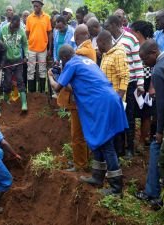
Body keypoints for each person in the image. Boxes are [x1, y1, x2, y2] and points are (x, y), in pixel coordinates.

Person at [49, 44, 128, 195]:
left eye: (62, 61)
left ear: (64, 58)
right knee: (97, 141)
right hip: (109, 99)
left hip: (101, 104)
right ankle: (97, 177)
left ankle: (116, 188)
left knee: (106, 145)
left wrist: (51, 77)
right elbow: (78, 87)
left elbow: (57, 88)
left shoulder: (71, 63)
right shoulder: (86, 61)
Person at [105, 15, 144, 158]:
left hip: (130, 83)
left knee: (129, 116)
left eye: (108, 25)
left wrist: (140, 84)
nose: (106, 28)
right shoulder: (109, 40)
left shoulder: (130, 39)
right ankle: (119, 148)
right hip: (113, 85)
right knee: (117, 116)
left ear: (116, 24)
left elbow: (138, 62)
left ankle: (130, 148)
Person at [58, 24, 95, 172]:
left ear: (80, 36)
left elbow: (65, 83)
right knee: (83, 132)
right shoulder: (90, 49)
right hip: (84, 98)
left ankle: (80, 164)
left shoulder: (80, 54)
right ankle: (82, 160)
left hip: (78, 99)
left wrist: (55, 78)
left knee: (77, 133)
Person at [139, 40, 164, 209]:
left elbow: (161, 104)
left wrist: (159, 131)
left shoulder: (158, 70)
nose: (144, 63)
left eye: (145, 59)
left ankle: (153, 193)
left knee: (156, 149)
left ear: (154, 52)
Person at [97, 30, 129, 157]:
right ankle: (113, 155)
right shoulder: (106, 54)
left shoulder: (118, 54)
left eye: (98, 44)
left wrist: (118, 98)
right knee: (111, 127)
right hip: (107, 99)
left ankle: (118, 155)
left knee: (117, 128)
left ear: (103, 42)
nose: (97, 47)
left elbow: (125, 76)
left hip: (115, 98)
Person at [130, 20, 156, 151]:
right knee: (134, 111)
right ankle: (133, 140)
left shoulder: (149, 45)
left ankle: (141, 140)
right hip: (135, 80)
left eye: (132, 31)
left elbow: (153, 67)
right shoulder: (133, 44)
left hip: (147, 81)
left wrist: (151, 85)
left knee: (146, 112)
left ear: (138, 32)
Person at [0, 15, 28, 112]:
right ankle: (6, 101)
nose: (16, 29)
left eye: (17, 27)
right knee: (7, 82)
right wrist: (1, 60)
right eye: (14, 27)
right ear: (10, 22)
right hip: (7, 61)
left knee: (20, 80)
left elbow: (25, 44)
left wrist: (26, 56)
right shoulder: (3, 29)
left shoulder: (21, 30)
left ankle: (24, 103)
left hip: (18, 60)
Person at [26, 0, 52, 93]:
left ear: (41, 6)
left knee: (42, 70)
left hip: (43, 48)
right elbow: (27, 33)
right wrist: (28, 45)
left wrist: (49, 48)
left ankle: (41, 92)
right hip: (31, 48)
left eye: (37, 6)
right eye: (34, 6)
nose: (35, 8)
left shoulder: (47, 17)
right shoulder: (29, 18)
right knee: (31, 70)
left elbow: (49, 33)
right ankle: (32, 92)